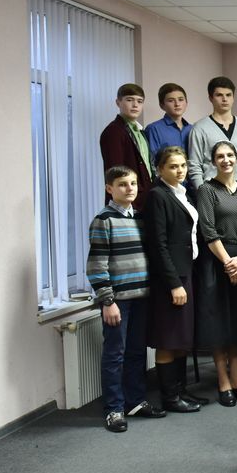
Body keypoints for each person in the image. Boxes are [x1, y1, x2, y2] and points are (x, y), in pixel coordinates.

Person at [87, 166, 164, 432]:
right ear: (109, 188)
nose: (129, 188)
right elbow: (97, 265)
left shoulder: (140, 219)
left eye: (132, 183)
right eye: (122, 184)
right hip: (118, 301)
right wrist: (107, 301)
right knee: (115, 354)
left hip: (142, 296)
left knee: (136, 352)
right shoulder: (103, 220)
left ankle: (135, 401)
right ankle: (114, 409)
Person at [194, 141, 237, 408]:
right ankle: (223, 380)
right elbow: (208, 230)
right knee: (219, 324)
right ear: (213, 161)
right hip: (216, 260)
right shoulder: (207, 189)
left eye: (230, 155)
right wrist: (228, 263)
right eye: (220, 156)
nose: (226, 160)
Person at [144, 147, 203, 414]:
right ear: (160, 169)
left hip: (186, 271)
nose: (180, 171)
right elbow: (158, 245)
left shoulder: (182, 192)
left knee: (181, 337)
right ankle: (170, 397)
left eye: (182, 166)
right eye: (173, 166)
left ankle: (180, 390)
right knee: (168, 338)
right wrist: (174, 284)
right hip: (170, 279)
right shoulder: (157, 195)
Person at [187, 77, 237, 194]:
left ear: (233, 98)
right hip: (213, 191)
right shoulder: (199, 128)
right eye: (219, 95)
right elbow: (194, 165)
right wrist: (203, 192)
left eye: (228, 95)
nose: (224, 99)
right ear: (210, 98)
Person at [99, 83, 153, 211]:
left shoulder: (140, 131)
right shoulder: (114, 131)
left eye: (139, 101)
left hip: (145, 197)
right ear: (118, 102)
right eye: (129, 100)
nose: (135, 105)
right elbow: (115, 171)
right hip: (127, 200)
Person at [144, 82, 192, 165]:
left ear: (186, 103)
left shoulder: (192, 129)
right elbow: (152, 162)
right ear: (162, 105)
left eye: (181, 99)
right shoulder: (154, 129)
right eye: (171, 101)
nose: (177, 104)